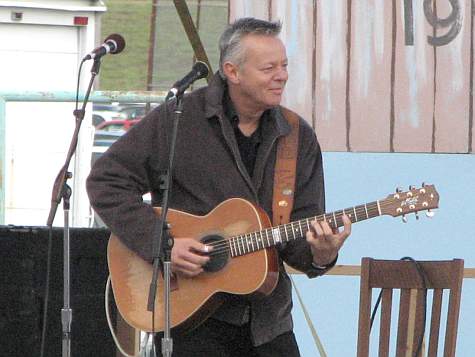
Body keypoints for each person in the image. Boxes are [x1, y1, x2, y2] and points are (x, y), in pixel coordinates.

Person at [87, 17, 351, 357]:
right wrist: (162, 244)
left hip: (267, 322)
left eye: (284, 66)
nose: (282, 75)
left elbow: (297, 239)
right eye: (269, 68)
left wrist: (322, 253)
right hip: (190, 321)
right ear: (233, 71)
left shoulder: (296, 136)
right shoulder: (179, 119)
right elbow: (106, 180)